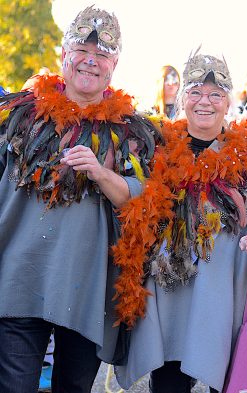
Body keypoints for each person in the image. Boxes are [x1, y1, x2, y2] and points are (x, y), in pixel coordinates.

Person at [0, 6, 159, 393]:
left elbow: (144, 202)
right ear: (62, 55)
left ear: (114, 64)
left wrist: (102, 173)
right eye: (81, 50)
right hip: (18, 280)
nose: (90, 61)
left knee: (73, 386)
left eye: (102, 54)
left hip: (88, 290)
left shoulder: (132, 132)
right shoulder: (18, 115)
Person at [111, 51, 247, 393]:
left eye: (216, 94)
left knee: (225, 379)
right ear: (182, 100)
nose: (204, 101)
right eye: (195, 92)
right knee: (169, 384)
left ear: (228, 102)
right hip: (169, 301)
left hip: (224, 304)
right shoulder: (154, 151)